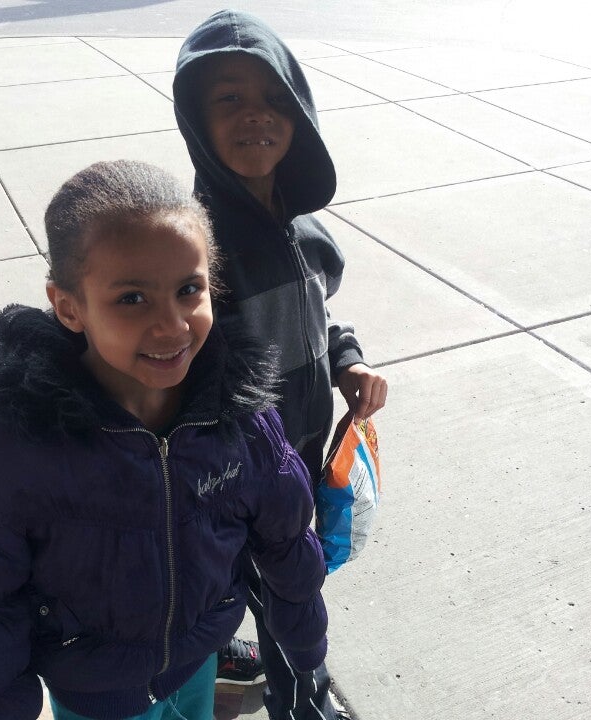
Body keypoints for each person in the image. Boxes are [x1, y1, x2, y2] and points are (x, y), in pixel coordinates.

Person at [0, 160, 329, 720]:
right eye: (133, 299)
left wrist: (305, 643)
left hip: (196, 663)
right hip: (96, 695)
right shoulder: (6, 453)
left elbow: (286, 540)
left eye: (188, 289)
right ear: (69, 306)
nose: (173, 326)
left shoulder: (240, 418)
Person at [173, 10, 388, 719]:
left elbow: (318, 316)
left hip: (303, 451)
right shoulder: (197, 249)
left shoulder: (304, 231)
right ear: (197, 118)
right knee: (286, 593)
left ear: (299, 113)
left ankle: (237, 659)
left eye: (273, 97)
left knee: (271, 584)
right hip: (244, 475)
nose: (255, 114)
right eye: (228, 98)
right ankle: (303, 701)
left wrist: (346, 363)